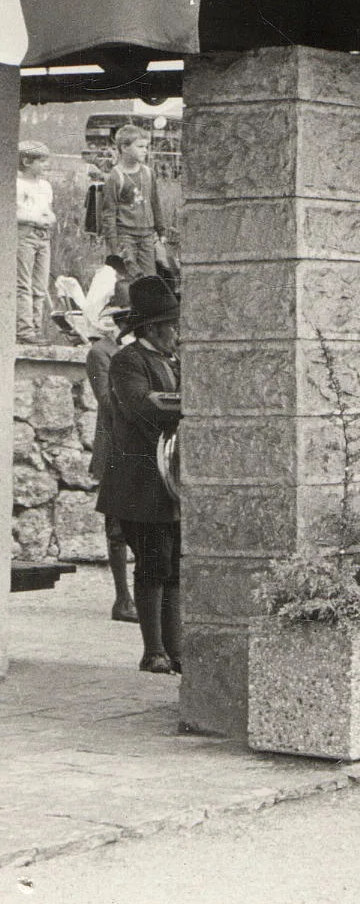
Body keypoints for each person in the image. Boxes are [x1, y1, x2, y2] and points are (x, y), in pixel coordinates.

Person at [94, 276, 182, 672]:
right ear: (152, 328)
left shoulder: (171, 361)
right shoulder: (127, 361)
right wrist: (191, 404)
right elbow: (144, 406)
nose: (177, 333)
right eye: (171, 326)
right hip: (137, 483)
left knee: (173, 565)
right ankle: (154, 652)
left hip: (166, 481)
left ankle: (176, 651)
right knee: (153, 562)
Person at [83, 285, 137, 623]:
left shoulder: (146, 350)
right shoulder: (101, 353)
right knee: (116, 528)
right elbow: (106, 400)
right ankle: (122, 598)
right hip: (115, 446)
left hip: (143, 447)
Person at [99, 125, 169, 284]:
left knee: (150, 280)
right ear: (124, 148)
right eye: (140, 147)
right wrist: (114, 247)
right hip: (125, 236)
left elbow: (155, 202)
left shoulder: (148, 173)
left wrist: (161, 231)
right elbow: (108, 214)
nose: (145, 151)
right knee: (129, 279)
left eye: (146, 147)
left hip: (147, 236)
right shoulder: (115, 177)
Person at [17, 140, 56, 342]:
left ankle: (36, 328)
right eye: (41, 161)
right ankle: (24, 330)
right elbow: (15, 214)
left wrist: (50, 218)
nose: (45, 165)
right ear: (26, 161)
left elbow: (48, 210)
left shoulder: (45, 186)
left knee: (40, 285)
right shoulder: (16, 184)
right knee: (23, 283)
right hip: (25, 235)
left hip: (43, 237)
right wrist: (34, 219)